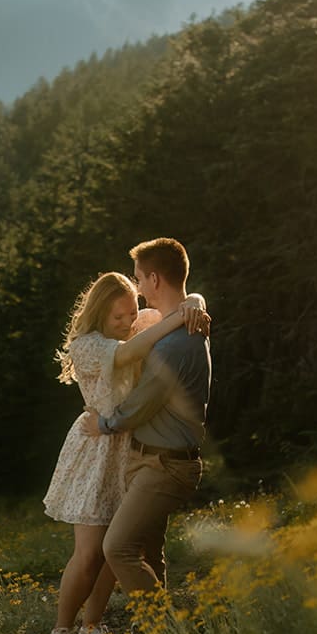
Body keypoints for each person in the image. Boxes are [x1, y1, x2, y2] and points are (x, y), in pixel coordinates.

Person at [44, 270, 209, 634]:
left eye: (131, 313)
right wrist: (175, 319)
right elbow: (127, 355)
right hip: (95, 446)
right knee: (89, 555)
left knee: (119, 547)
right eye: (118, 317)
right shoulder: (87, 345)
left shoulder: (138, 327)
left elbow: (186, 297)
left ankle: (91, 627)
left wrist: (197, 304)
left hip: (130, 448)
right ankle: (61, 631)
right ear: (100, 313)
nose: (126, 322)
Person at [79, 238, 211, 598]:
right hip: (148, 458)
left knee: (117, 547)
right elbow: (188, 302)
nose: (136, 287)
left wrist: (102, 425)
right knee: (151, 554)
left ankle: (168, 630)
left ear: (154, 279)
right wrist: (195, 300)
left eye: (138, 279)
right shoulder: (179, 320)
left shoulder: (175, 342)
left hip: (166, 464)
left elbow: (141, 404)